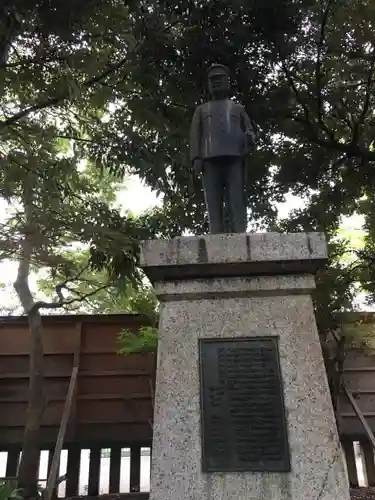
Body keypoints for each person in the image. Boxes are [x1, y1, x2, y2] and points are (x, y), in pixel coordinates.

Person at [190, 64, 256, 234]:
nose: (216, 83)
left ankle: (240, 231)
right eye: (212, 80)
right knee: (212, 199)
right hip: (209, 158)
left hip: (234, 157)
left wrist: (249, 138)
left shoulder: (237, 108)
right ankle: (215, 232)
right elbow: (195, 134)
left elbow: (250, 131)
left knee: (236, 198)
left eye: (220, 79)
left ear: (228, 82)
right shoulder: (201, 110)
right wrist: (196, 157)